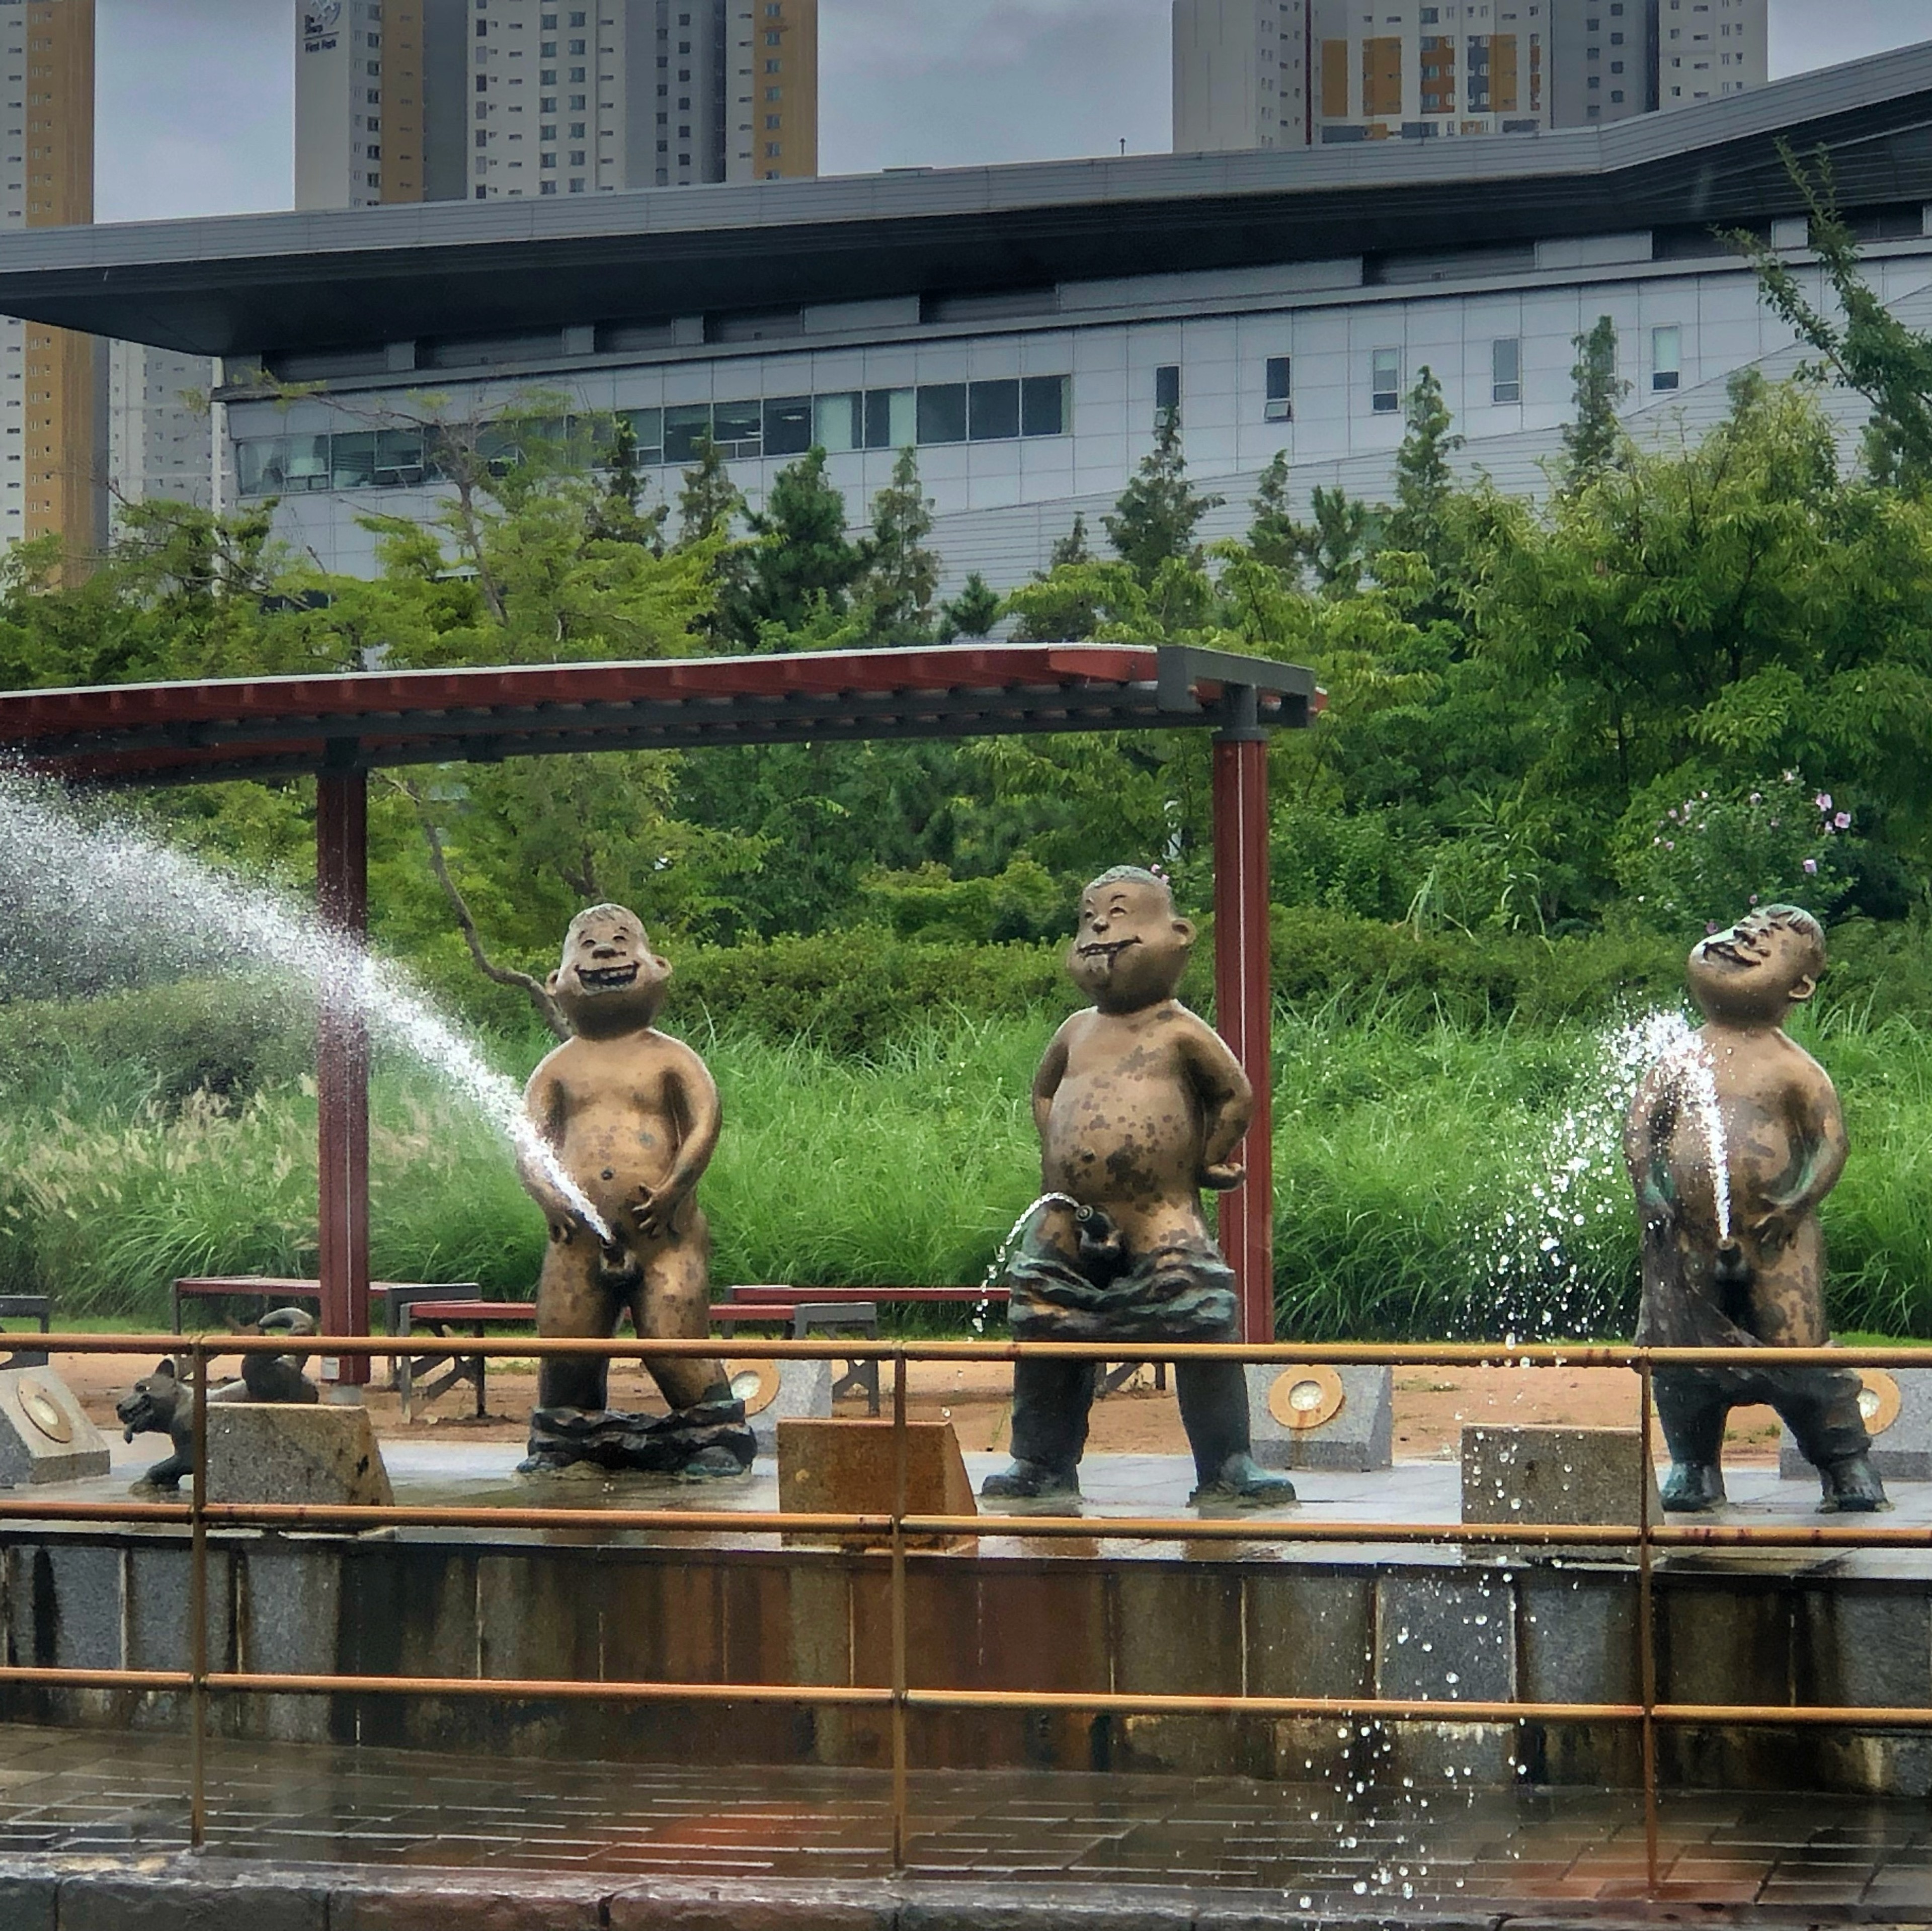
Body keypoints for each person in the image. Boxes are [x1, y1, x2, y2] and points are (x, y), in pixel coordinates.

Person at [983, 866, 1296, 1507]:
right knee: (1045, 1328)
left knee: (1201, 1320)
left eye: (1121, 915)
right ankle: (1040, 1460)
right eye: (1090, 916)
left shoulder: (1178, 1028)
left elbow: (1236, 1094)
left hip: (1161, 1210)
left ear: (1177, 935)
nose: (1101, 928)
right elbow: (1043, 1090)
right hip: (1068, 1214)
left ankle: (1228, 1463)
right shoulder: (1075, 1030)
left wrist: (1210, 1157)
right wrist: (1059, 1150)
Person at [1625, 904, 1884, 1513]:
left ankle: (1844, 1461)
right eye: (1738, 932)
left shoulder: (1794, 1066)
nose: (1739, 941)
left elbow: (1830, 1144)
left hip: (1777, 1241)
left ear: (1799, 986)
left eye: (1760, 945)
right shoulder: (1680, 1058)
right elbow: (1642, 1131)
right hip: (1683, 1239)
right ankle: (1694, 1465)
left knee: (1799, 1351)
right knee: (1681, 1353)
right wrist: (1651, 1189)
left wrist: (1796, 1202)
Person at [517, 903, 749, 1476]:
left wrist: (674, 1188)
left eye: (622, 941)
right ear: (557, 980)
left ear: (658, 966)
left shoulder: (670, 1056)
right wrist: (548, 1194)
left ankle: (713, 1434)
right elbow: (528, 1141)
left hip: (663, 1236)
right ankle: (566, 1439)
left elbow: (704, 1122)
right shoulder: (557, 1067)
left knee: (674, 1343)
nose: (604, 952)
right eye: (588, 945)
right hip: (576, 1238)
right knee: (567, 1345)